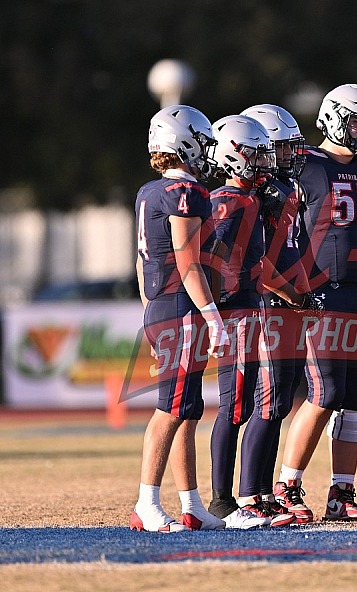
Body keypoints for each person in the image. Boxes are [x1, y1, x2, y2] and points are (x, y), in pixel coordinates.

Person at [271, 83, 357, 523]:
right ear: (333, 116)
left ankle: (342, 490)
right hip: (324, 291)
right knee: (326, 392)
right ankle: (287, 484)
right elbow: (281, 227)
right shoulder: (304, 165)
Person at [204, 114, 307, 529]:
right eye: (261, 152)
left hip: (245, 306)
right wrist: (216, 312)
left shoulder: (251, 197)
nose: (268, 161)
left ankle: (246, 496)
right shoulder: (231, 201)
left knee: (254, 403)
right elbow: (221, 262)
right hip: (240, 308)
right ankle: (225, 500)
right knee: (236, 405)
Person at [130, 105, 228, 532]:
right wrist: (212, 315)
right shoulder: (184, 193)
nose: (207, 151)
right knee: (170, 409)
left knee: (188, 409)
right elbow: (189, 263)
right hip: (180, 309)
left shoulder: (149, 191)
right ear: (182, 142)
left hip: (162, 307)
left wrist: (149, 312)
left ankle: (192, 504)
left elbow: (140, 263)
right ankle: (146, 504)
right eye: (202, 141)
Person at [237, 103, 312, 519]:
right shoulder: (254, 197)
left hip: (288, 301)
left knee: (282, 401)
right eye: (282, 149)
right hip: (269, 303)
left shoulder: (285, 191)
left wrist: (304, 292)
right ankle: (250, 494)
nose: (290, 156)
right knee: (268, 402)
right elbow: (258, 265)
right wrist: (290, 293)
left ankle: (264, 493)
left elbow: (292, 249)